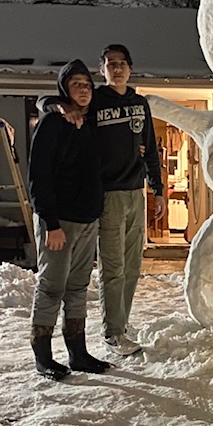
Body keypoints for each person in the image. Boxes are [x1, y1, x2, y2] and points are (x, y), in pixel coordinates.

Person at [38, 44, 165, 356]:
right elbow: (50, 100)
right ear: (103, 70)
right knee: (113, 267)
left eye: (122, 63)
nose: (117, 69)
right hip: (106, 194)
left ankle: (121, 321)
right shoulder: (94, 101)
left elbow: (149, 148)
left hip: (136, 193)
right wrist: (56, 106)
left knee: (134, 265)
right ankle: (112, 333)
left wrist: (158, 188)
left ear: (130, 68)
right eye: (111, 64)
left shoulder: (139, 103)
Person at [28, 60, 110, 380]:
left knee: (77, 287)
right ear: (64, 89)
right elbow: (38, 175)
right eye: (75, 84)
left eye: (87, 84)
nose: (83, 89)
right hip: (60, 221)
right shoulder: (53, 122)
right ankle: (43, 356)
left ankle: (78, 352)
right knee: (51, 287)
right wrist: (50, 222)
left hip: (87, 218)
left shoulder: (91, 120)